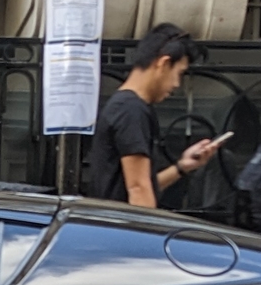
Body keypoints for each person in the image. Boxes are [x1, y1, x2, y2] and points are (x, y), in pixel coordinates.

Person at [86, 23, 224, 208]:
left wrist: (182, 167)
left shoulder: (126, 106)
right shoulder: (131, 111)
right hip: (122, 230)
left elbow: (138, 186)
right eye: (179, 73)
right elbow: (138, 189)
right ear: (164, 63)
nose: (177, 84)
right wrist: (149, 235)